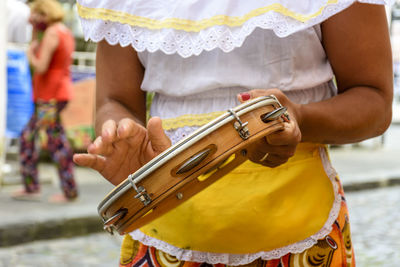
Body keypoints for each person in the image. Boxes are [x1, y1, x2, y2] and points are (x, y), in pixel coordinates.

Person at [74, 1, 393, 266]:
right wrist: (120, 134)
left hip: (300, 235)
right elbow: (114, 100)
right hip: (162, 236)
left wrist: (300, 118)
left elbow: (373, 99)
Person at [12, 0, 78, 202]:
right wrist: (34, 33)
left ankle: (60, 190)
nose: (34, 20)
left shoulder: (51, 33)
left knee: (45, 141)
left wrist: (30, 52)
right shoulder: (63, 31)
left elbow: (40, 65)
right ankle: (52, 188)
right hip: (55, 94)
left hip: (50, 96)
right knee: (42, 139)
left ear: (45, 13)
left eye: (37, 15)